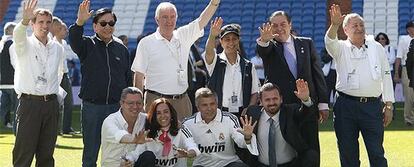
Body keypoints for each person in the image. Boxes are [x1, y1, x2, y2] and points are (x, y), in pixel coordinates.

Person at [256, 10, 329, 164]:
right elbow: (263, 50)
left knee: (311, 151)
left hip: (307, 104)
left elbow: (317, 74)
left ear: (290, 24)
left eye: (283, 24)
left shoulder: (306, 43)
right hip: (282, 110)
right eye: (274, 25)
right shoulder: (270, 46)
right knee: (286, 154)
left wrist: (322, 103)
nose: (279, 28)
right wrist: (264, 40)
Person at [326, 4, 394, 167]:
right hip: (345, 106)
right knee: (348, 154)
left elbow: (386, 75)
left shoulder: (377, 47)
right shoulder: (340, 47)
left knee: (377, 153)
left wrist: (389, 104)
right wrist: (334, 24)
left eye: (361, 25)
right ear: (345, 30)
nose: (359, 28)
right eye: (354, 25)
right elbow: (329, 41)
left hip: (372, 107)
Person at [131, 0, 220, 121]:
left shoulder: (183, 35)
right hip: (156, 101)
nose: (169, 21)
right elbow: (139, 75)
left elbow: (201, 21)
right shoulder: (146, 43)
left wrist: (214, 3)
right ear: (157, 20)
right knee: (155, 139)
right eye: (165, 17)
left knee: (184, 138)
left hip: (182, 101)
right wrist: (138, 103)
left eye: (172, 17)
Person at [68, 0, 133, 166]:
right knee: (90, 153)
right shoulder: (86, 45)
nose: (107, 26)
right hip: (92, 108)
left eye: (111, 23)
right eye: (103, 23)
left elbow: (127, 79)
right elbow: (74, 39)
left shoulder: (121, 48)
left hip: (116, 108)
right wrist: (80, 22)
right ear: (95, 26)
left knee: (118, 152)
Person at [11, 0, 65, 166]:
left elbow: (59, 73)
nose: (45, 25)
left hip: (51, 105)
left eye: (48, 22)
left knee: (47, 154)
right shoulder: (24, 44)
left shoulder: (58, 48)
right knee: (24, 154)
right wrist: (24, 21)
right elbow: (18, 35)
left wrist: (53, 93)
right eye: (40, 22)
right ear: (32, 24)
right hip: (29, 104)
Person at [244, 80, 318, 167]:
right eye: (267, 100)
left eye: (275, 99)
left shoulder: (290, 111)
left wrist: (305, 100)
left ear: (281, 99)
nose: (272, 103)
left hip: (290, 164)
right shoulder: (252, 113)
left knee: (312, 156)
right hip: (261, 165)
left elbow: (305, 113)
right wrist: (247, 137)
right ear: (261, 101)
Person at [183, 87, 258, 167]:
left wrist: (247, 137)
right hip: (201, 165)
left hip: (228, 163)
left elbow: (240, 141)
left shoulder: (229, 118)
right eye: (204, 105)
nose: (209, 108)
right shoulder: (188, 124)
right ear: (198, 107)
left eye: (212, 104)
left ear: (217, 104)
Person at [205, 17, 260, 118]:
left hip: (242, 114)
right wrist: (212, 35)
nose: (231, 43)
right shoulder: (215, 61)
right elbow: (209, 52)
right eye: (227, 39)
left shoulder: (248, 65)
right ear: (221, 42)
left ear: (238, 40)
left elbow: (255, 92)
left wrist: (249, 109)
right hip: (219, 113)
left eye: (234, 39)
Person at [124, 98, 201, 167]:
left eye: (166, 112)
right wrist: (128, 160)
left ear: (171, 113)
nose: (163, 116)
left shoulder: (181, 128)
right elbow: (136, 153)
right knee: (148, 156)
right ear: (154, 116)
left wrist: (187, 154)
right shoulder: (148, 132)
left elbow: (193, 147)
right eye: (158, 113)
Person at [100, 87, 149, 167]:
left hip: (133, 163)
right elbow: (120, 136)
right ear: (121, 103)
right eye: (131, 103)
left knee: (148, 156)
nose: (135, 106)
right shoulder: (110, 121)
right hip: (114, 165)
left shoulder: (145, 119)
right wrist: (134, 140)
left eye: (139, 103)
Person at [54, 19, 78, 135]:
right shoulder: (52, 43)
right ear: (58, 29)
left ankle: (66, 128)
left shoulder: (63, 43)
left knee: (69, 102)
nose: (66, 31)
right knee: (56, 104)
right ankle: (57, 129)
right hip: (56, 77)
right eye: (64, 29)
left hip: (65, 75)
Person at [395, 21, 414, 126]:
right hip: (407, 69)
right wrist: (397, 73)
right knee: (409, 94)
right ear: (408, 29)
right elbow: (399, 57)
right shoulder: (403, 39)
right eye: (412, 27)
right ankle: (409, 119)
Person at [0, 22, 17, 130]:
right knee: (17, 107)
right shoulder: (12, 44)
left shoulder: (1, 43)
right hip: (12, 82)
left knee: (3, 107)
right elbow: (15, 63)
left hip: (2, 82)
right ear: (11, 31)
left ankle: (8, 123)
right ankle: (17, 129)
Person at [375, 32, 397, 117]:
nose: (381, 40)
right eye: (379, 39)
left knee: (390, 93)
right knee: (378, 94)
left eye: (383, 38)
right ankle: (378, 113)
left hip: (389, 72)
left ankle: (391, 113)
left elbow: (392, 60)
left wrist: (383, 62)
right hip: (378, 73)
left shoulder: (390, 48)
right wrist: (385, 61)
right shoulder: (375, 49)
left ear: (386, 40)